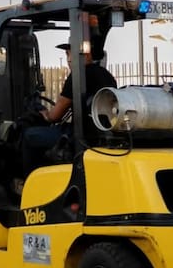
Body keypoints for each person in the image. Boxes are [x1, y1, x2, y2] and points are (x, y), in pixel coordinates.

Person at [21, 41, 116, 175]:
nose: (69, 59)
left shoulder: (78, 76)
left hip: (79, 135)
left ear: (86, 54)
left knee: (28, 135)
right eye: (67, 55)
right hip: (99, 134)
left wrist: (45, 114)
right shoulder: (107, 76)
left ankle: (28, 181)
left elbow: (55, 116)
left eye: (69, 54)